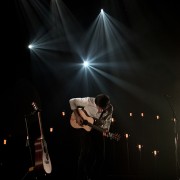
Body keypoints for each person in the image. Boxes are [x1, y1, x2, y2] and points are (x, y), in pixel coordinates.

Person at [69, 93, 113, 180]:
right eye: (98, 107)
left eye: (102, 108)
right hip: (85, 128)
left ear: (107, 105)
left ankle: (93, 177)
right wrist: (77, 116)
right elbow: (72, 101)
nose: (99, 110)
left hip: (97, 129)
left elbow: (107, 122)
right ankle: (81, 177)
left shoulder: (110, 108)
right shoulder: (89, 101)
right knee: (84, 153)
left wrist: (106, 129)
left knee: (101, 157)